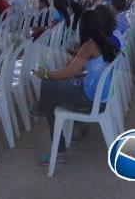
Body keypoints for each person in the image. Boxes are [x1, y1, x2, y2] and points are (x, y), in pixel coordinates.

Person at [33, 10, 116, 165]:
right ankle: (43, 111)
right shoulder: (105, 41)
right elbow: (81, 71)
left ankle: (58, 148)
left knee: (47, 86)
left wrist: (44, 74)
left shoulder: (89, 45)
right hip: (102, 98)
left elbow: (68, 73)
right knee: (51, 94)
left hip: (90, 101)